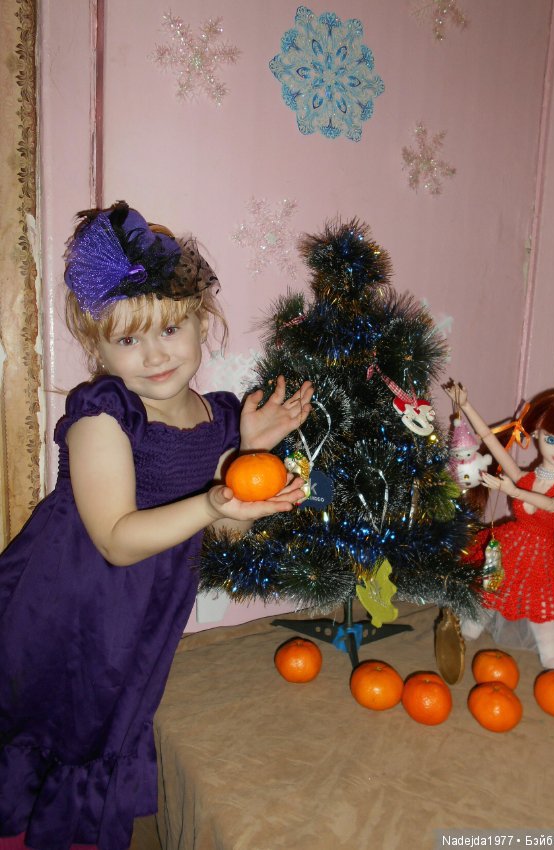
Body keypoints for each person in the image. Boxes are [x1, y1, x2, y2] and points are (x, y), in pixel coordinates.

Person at [0, 201, 313, 850]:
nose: (153, 354)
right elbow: (117, 540)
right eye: (127, 340)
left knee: (108, 717)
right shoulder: (104, 413)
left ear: (202, 321)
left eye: (170, 328)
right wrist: (215, 504)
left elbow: (223, 533)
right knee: (51, 713)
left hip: (144, 612)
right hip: (68, 604)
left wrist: (252, 453)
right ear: (98, 347)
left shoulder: (219, 415)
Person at [443, 380, 554, 671]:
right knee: (490, 587)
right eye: (552, 439)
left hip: (540, 554)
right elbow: (491, 440)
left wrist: (514, 491)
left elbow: (550, 505)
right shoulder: (523, 477)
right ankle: (467, 632)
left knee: (543, 607)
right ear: (537, 433)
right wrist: (465, 404)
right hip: (512, 544)